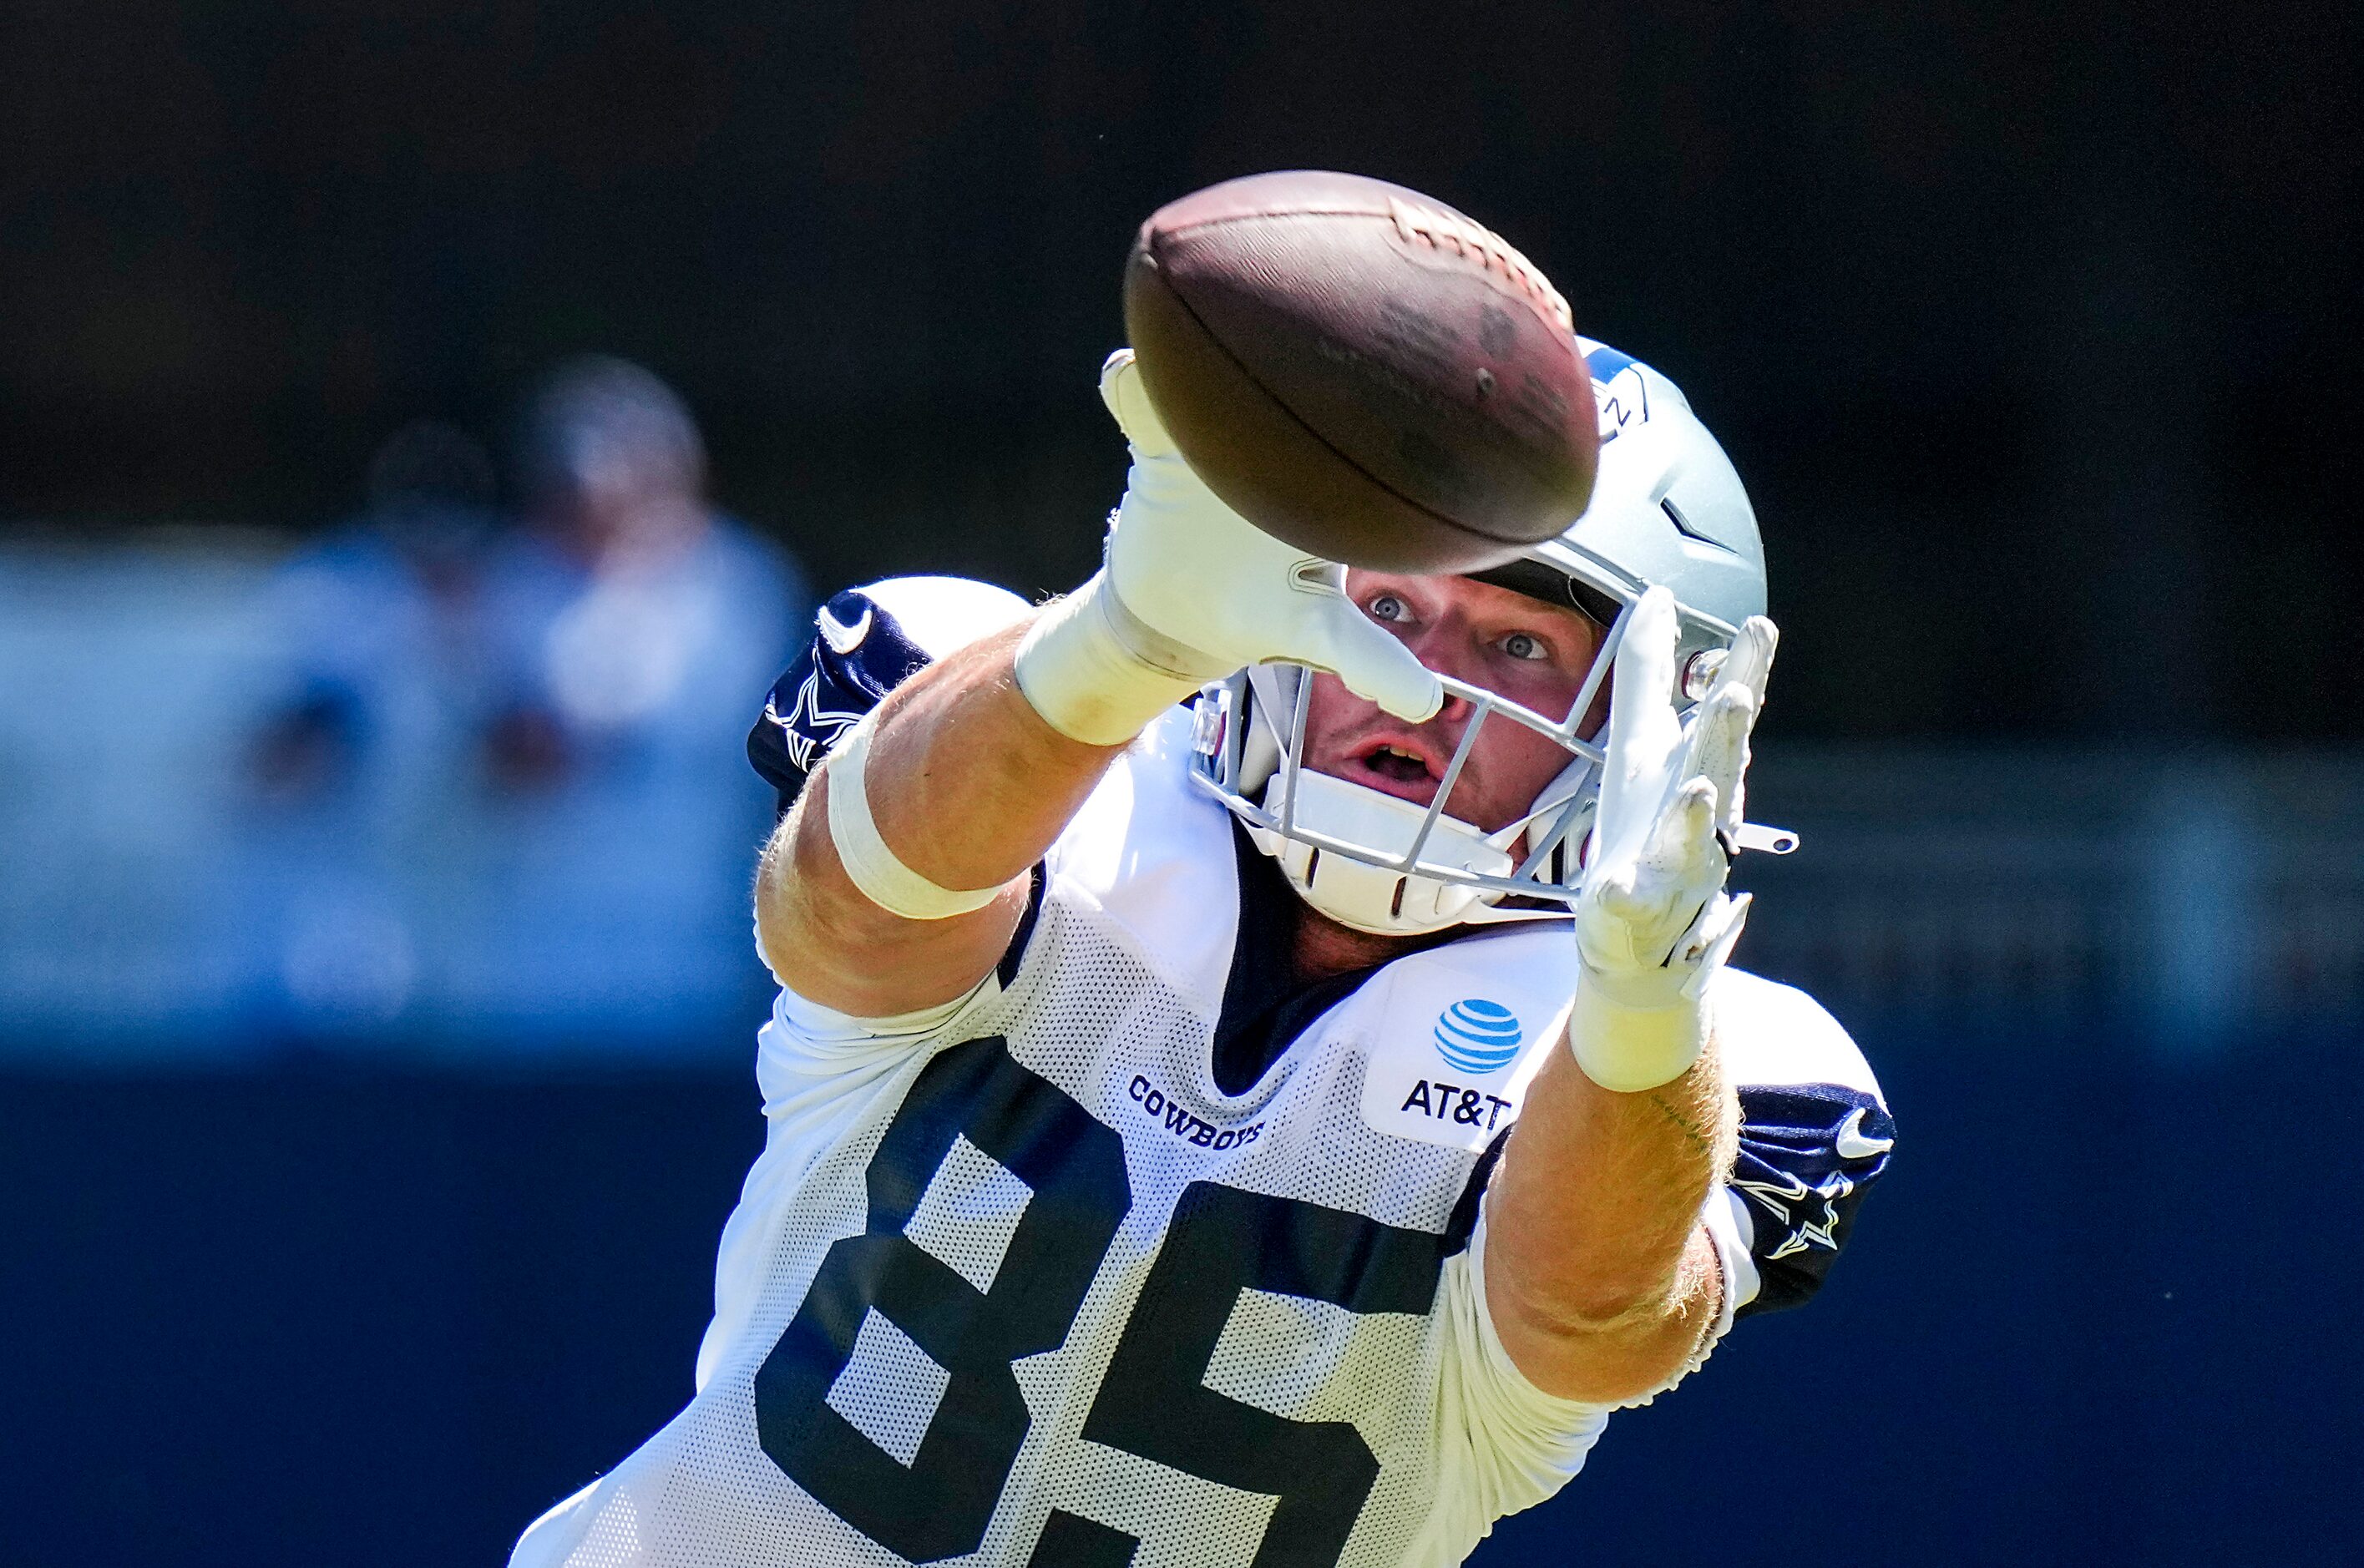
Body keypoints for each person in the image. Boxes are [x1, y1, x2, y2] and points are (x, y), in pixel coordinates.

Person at [511, 340, 1895, 1566]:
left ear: (1658, 706)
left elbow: (1594, 1326)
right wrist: (1121, 638)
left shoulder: (1702, 1055)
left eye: (1520, 640)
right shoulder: (1056, 765)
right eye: (1392, 607)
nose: (1420, 683)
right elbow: (841, 915)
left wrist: (1645, 1004)